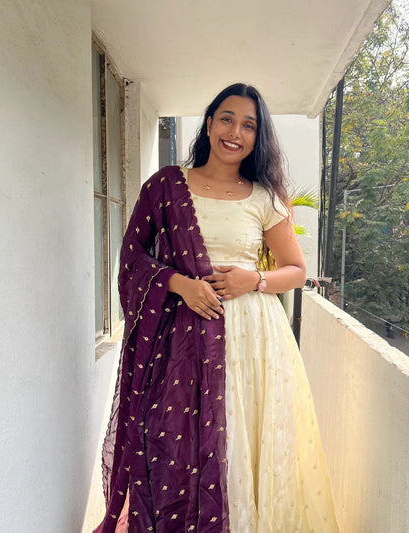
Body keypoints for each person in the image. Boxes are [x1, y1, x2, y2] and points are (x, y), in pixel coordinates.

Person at [94, 83, 339, 533]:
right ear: (209, 124)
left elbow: (296, 271)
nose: (235, 132)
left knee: (244, 442)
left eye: (249, 125)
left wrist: (254, 279)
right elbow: (132, 257)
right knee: (171, 441)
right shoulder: (166, 186)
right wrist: (178, 284)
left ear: (257, 137)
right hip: (179, 341)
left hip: (253, 342)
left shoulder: (264, 197)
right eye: (227, 119)